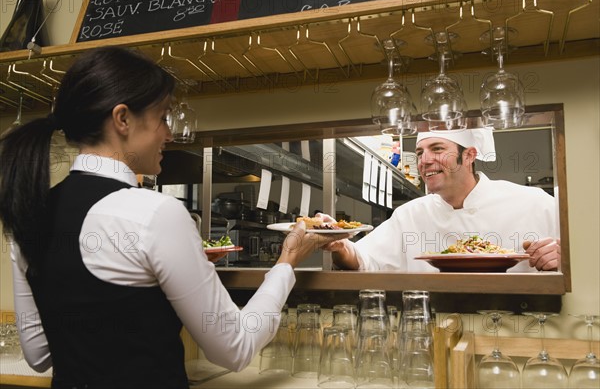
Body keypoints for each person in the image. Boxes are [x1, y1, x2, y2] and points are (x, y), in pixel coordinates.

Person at [0, 46, 347, 389]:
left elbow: (38, 353)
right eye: (163, 117)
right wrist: (288, 261)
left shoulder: (30, 210)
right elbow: (235, 348)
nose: (169, 134)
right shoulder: (151, 213)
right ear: (122, 119)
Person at [322, 128, 560, 272]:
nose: (424, 161)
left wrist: (564, 258)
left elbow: (583, 260)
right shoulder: (410, 215)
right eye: (419, 153)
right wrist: (340, 245)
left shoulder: (534, 203)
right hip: (432, 332)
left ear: (468, 156)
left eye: (436, 149)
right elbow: (365, 259)